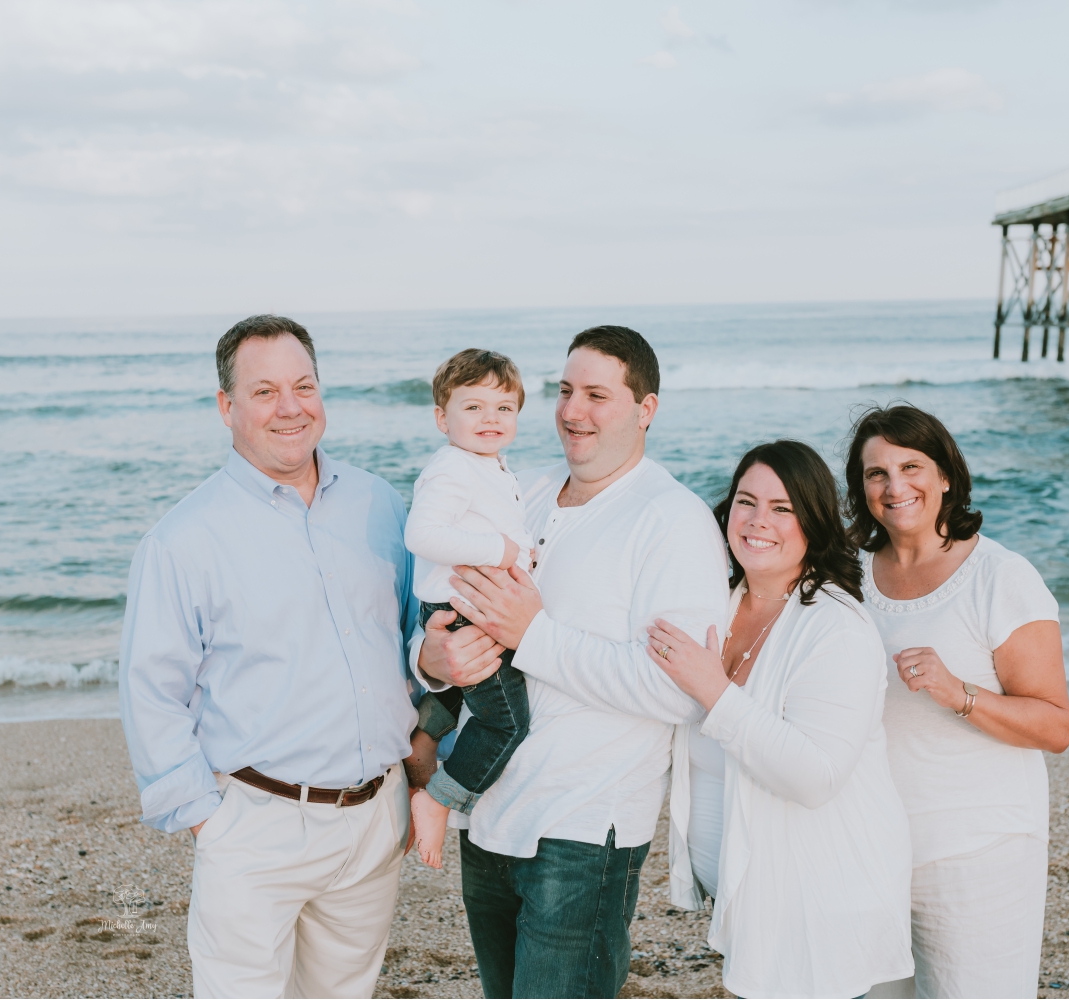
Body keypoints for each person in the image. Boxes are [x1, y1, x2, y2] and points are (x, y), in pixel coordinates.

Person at [416, 326, 728, 998]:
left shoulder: (672, 520)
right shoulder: (516, 490)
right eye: (563, 391)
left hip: (583, 835)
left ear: (645, 408)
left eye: (596, 394)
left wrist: (534, 635)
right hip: (488, 819)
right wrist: (431, 659)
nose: (571, 411)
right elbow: (447, 605)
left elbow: (677, 692)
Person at [118, 315, 419, 999]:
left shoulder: (381, 504)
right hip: (255, 827)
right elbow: (151, 692)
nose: (291, 408)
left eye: (303, 386)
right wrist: (210, 822)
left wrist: (420, 761)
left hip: (375, 819)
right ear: (227, 408)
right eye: (264, 392)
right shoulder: (183, 540)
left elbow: (411, 642)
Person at [648, 440, 914, 999]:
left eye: (782, 508)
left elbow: (814, 776)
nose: (757, 521)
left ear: (814, 523)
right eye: (746, 501)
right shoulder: (714, 605)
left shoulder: (836, 629)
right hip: (751, 899)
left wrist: (715, 692)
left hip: (824, 902)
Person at [845, 404, 1069, 1000]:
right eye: (876, 473)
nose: (896, 486)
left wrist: (958, 692)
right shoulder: (848, 576)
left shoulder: (1000, 577)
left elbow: (1055, 725)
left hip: (978, 850)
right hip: (872, 845)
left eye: (911, 466)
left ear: (946, 475)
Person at [403, 349, 534, 869]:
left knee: (463, 687)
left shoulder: (486, 465)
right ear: (442, 418)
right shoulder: (453, 468)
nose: (490, 419)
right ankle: (438, 798)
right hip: (461, 610)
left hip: (463, 605)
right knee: (506, 723)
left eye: (504, 408)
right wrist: (499, 551)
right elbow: (422, 533)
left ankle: (425, 735)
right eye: (473, 407)